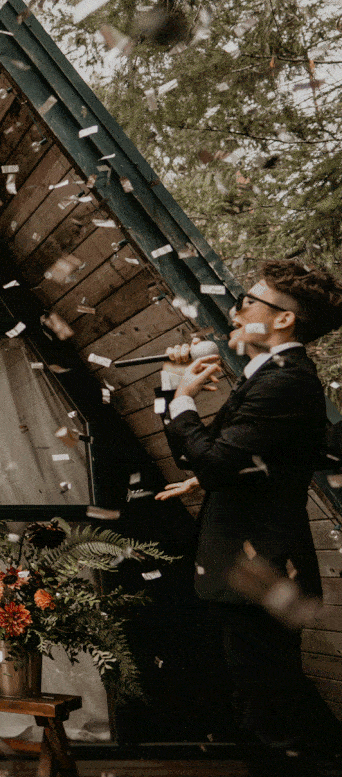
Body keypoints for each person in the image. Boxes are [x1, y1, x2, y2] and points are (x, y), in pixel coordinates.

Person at [155, 261, 342, 776]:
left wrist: (184, 398)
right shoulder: (268, 377)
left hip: (262, 567)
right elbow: (201, 458)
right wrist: (170, 385)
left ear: (283, 320)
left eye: (249, 301)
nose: (237, 310)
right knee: (261, 701)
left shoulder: (285, 382)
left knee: (270, 716)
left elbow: (213, 461)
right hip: (251, 567)